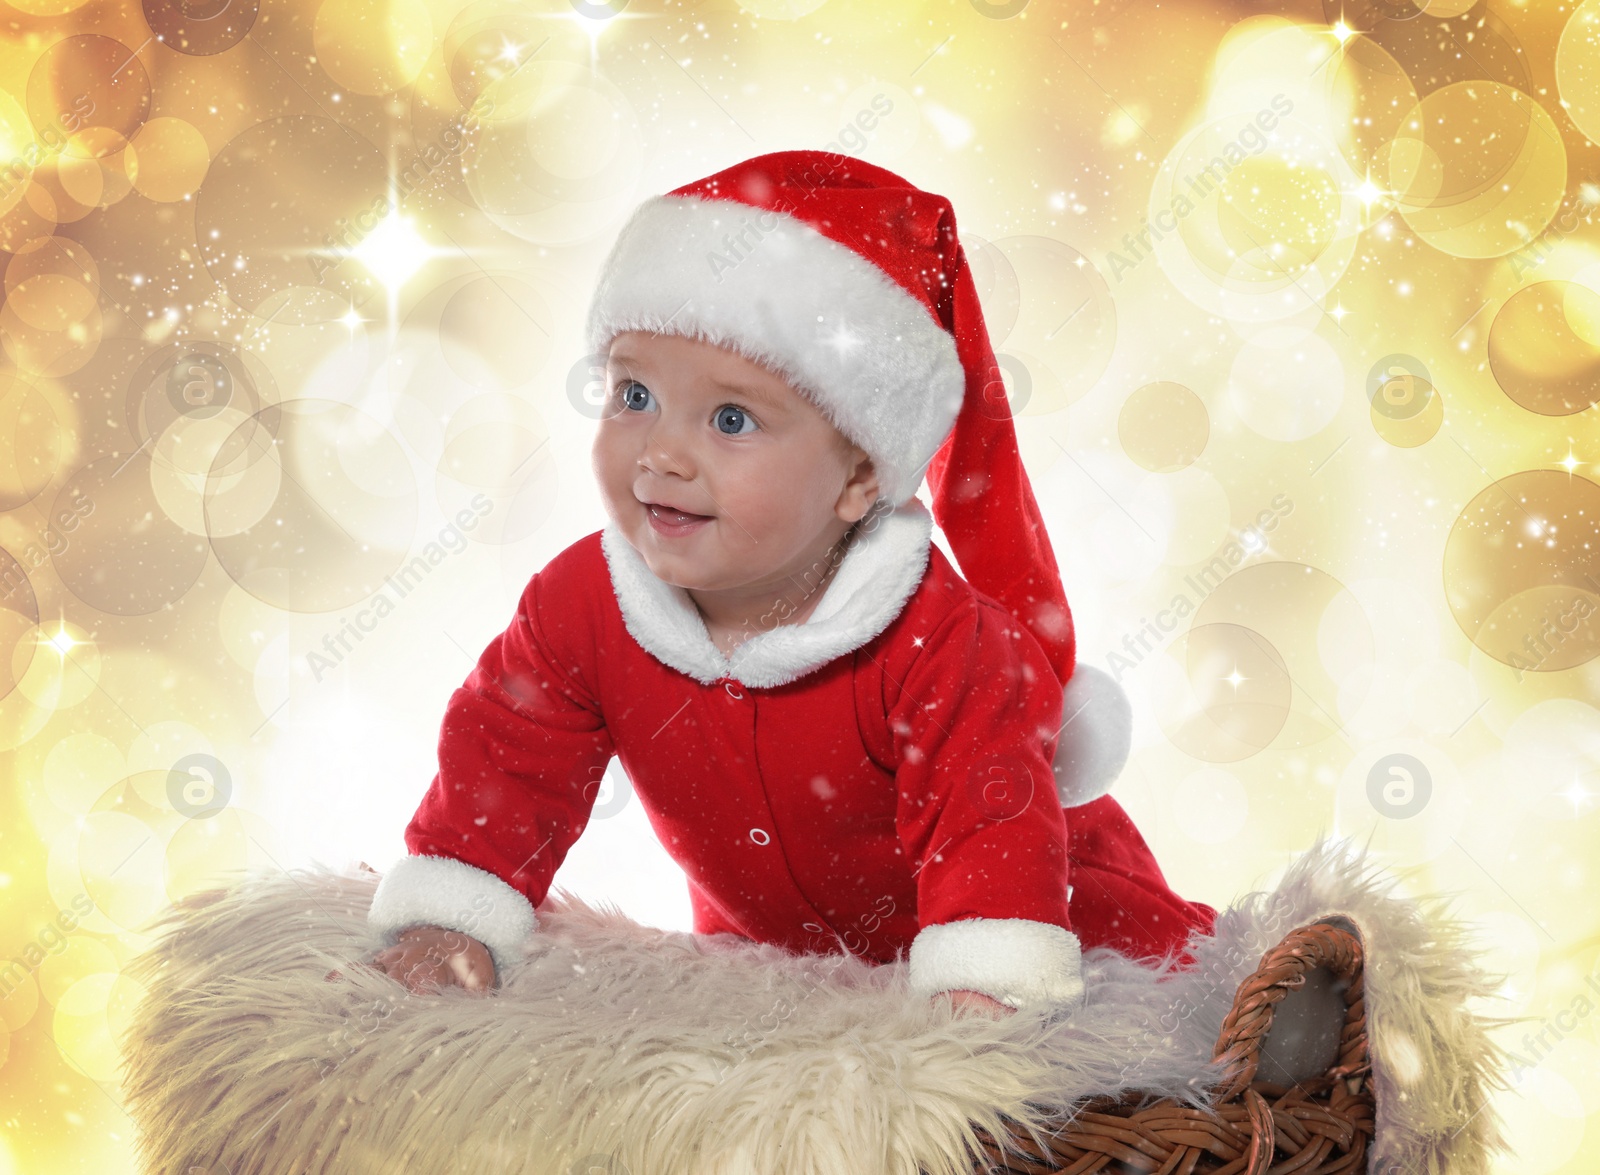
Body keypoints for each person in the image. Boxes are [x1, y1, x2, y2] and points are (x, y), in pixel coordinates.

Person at [362, 149, 1216, 1018]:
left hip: (1060, 916)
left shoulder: (944, 643)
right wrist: (453, 916)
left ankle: (1253, 1016)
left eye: (731, 418)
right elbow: (510, 762)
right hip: (787, 966)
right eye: (633, 393)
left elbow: (988, 823)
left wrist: (986, 988)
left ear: (858, 477)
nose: (659, 452)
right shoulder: (582, 605)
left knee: (1155, 1009)